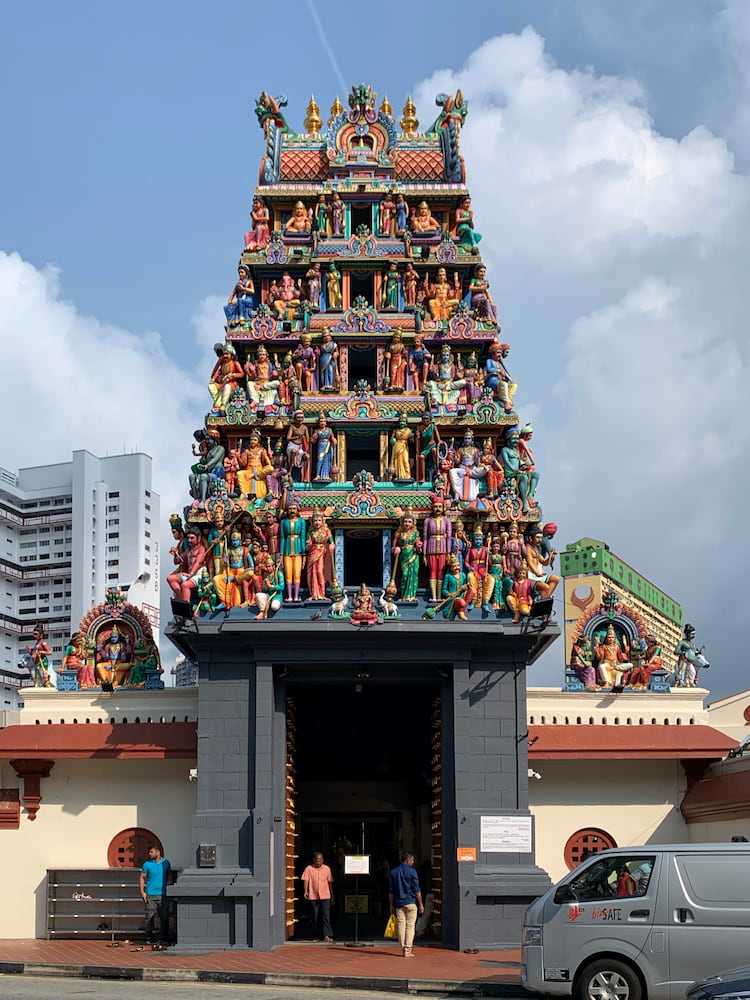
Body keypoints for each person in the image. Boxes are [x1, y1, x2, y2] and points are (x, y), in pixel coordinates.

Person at [388, 852, 424, 958]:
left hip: (399, 903)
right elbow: (417, 889)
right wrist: (421, 904)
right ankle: (407, 949)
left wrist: (391, 905)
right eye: (412, 861)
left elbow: (391, 891)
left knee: (401, 925)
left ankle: (403, 947)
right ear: (408, 860)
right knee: (410, 926)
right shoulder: (413, 872)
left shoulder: (393, 872)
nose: (413, 863)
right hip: (411, 902)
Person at [139, 845, 171, 948]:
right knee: (150, 917)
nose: (150, 854)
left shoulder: (166, 863)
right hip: (151, 894)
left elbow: (169, 874)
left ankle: (164, 938)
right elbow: (142, 877)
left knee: (164, 916)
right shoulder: (147, 864)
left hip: (163, 894)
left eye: (151, 852)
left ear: (158, 852)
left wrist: (169, 885)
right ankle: (149, 937)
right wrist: (142, 892)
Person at [301, 851, 334, 942]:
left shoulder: (327, 869)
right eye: (316, 860)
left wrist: (332, 896)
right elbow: (306, 880)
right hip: (313, 895)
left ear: (323, 860)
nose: (318, 862)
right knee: (314, 917)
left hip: (325, 895)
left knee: (326, 916)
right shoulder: (309, 869)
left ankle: (327, 935)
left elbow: (330, 883)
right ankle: (316, 936)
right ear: (313, 860)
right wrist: (305, 891)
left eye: (320, 860)